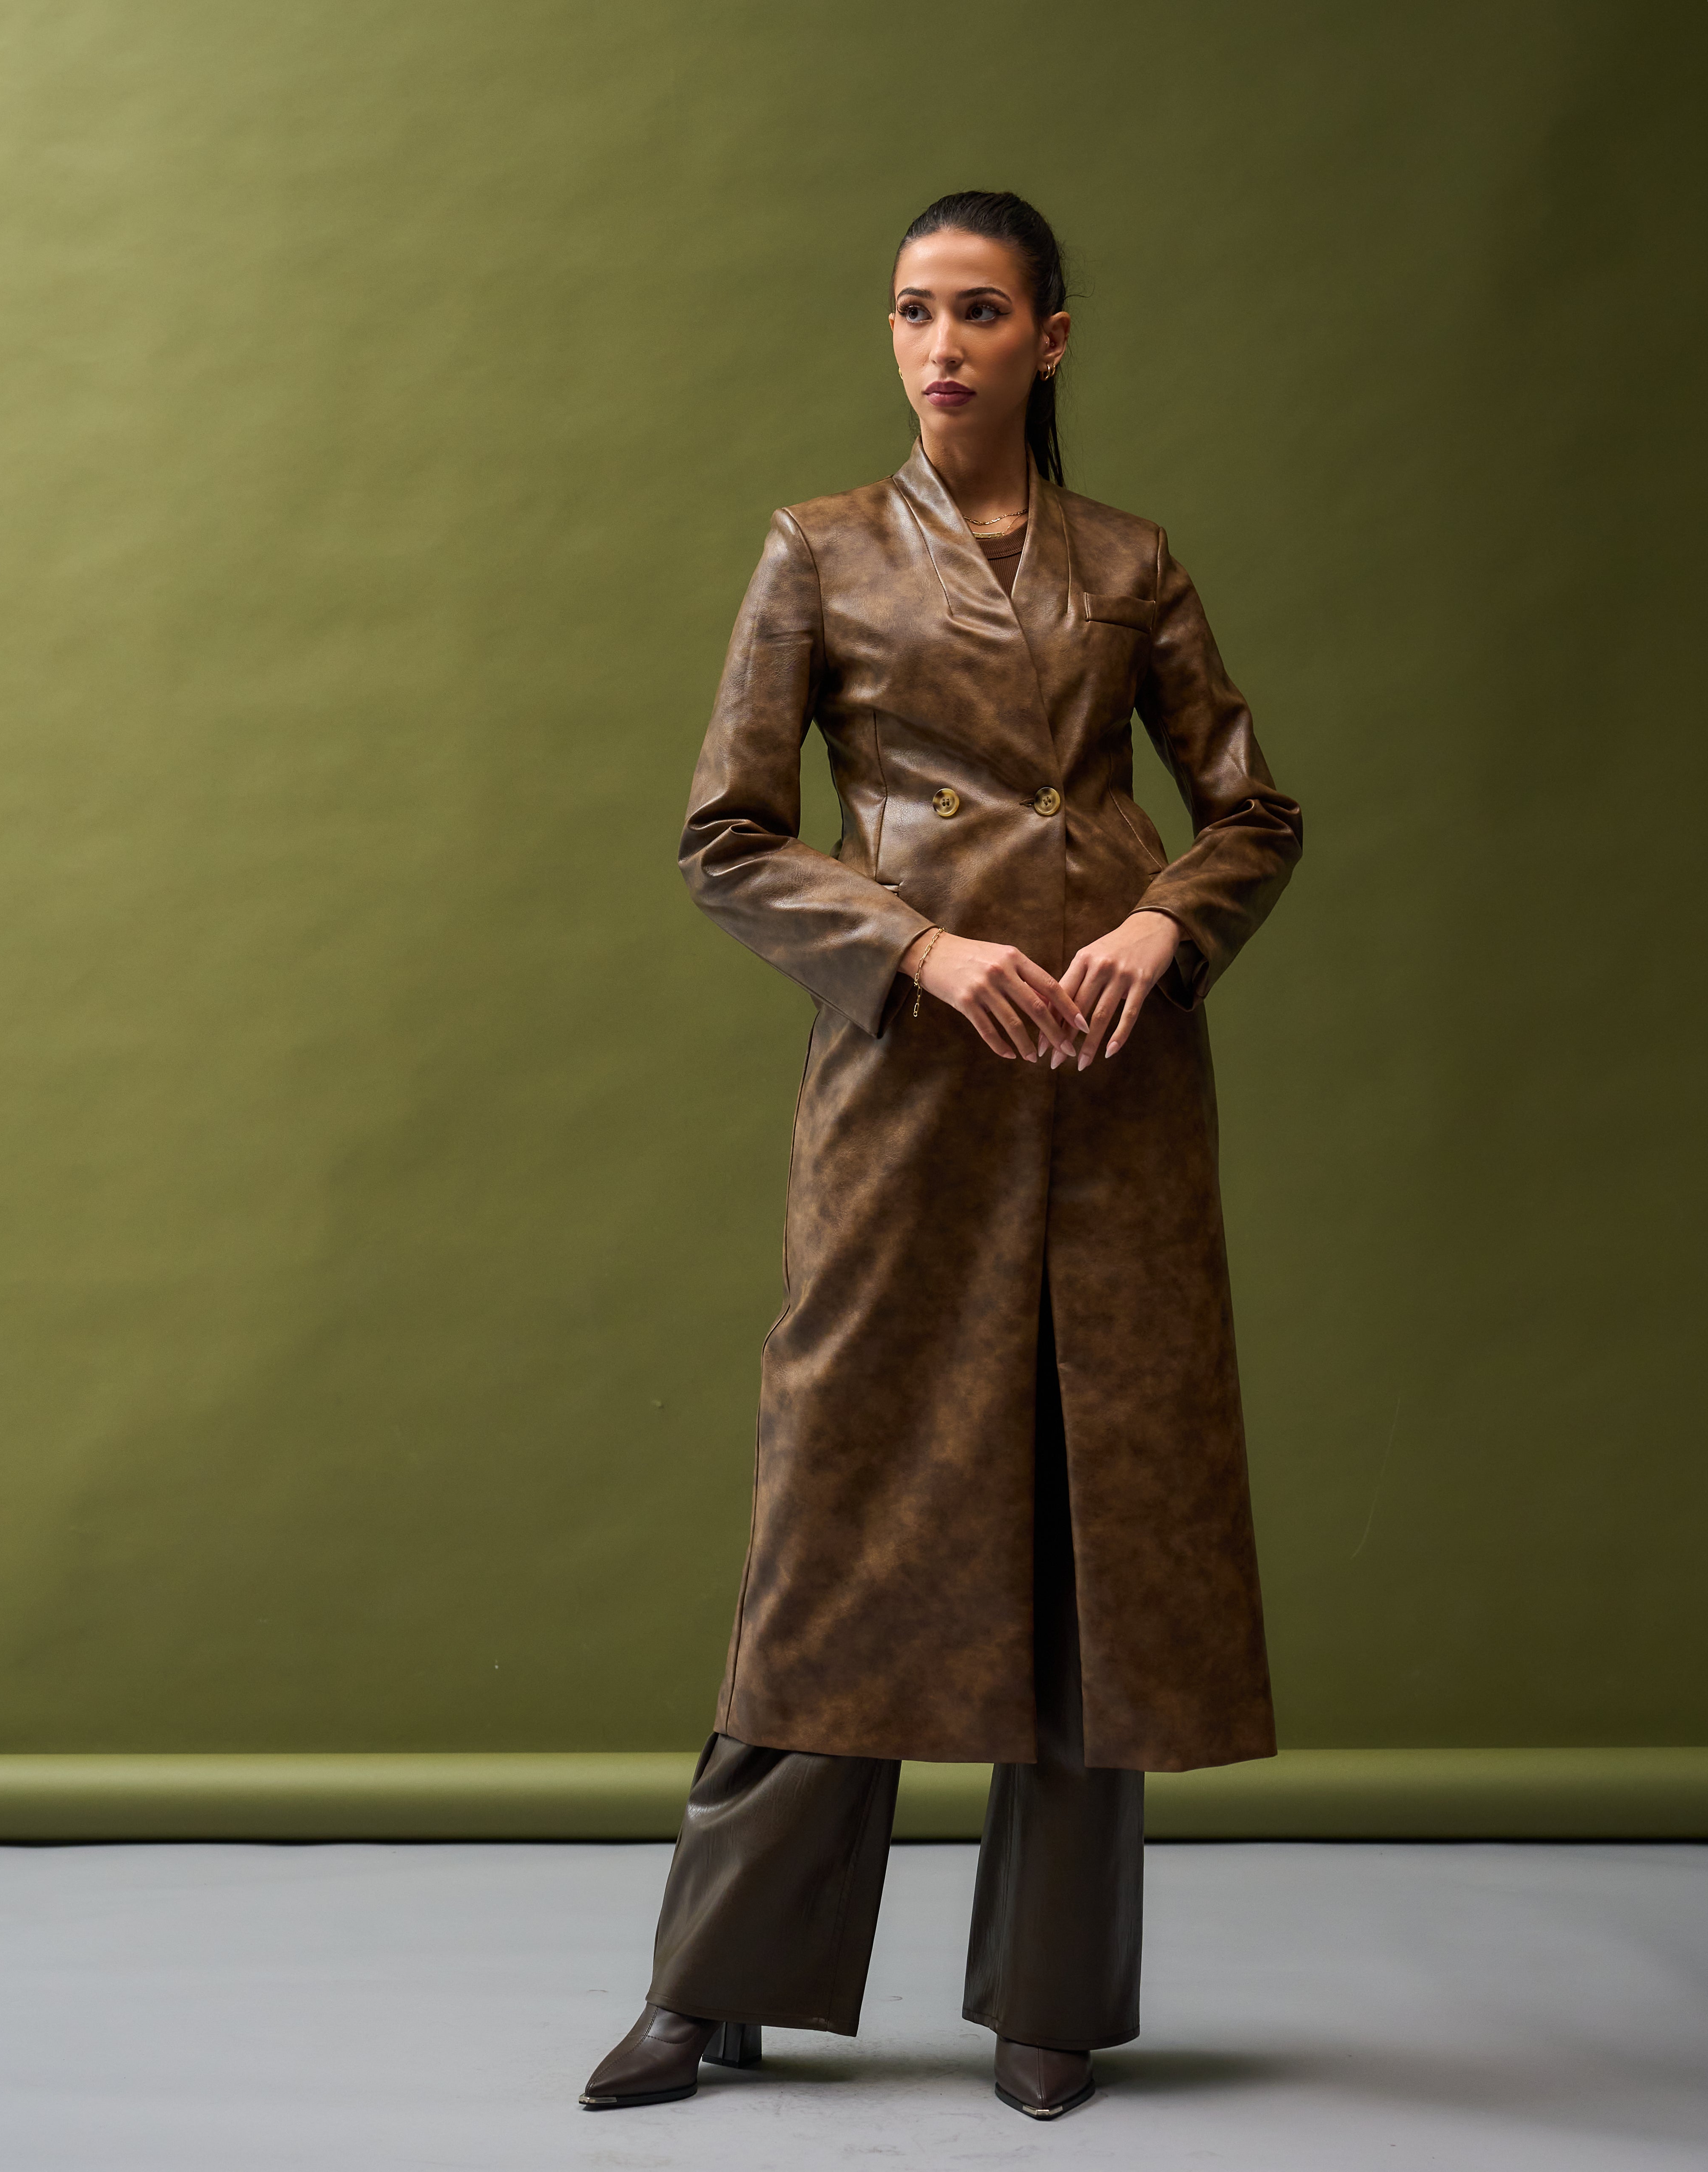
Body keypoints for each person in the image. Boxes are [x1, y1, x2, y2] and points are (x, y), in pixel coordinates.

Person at [581, 188, 1302, 2121]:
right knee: (844, 1519)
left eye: (980, 311)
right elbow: (728, 836)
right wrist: (918, 946)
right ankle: (718, 1981)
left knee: (1085, 1518)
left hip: (1113, 1090)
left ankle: (1050, 1999)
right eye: (913, 310)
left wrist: (1163, 927)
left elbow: (1253, 809)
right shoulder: (818, 551)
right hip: (907, 1086)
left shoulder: (1132, 563)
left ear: (1049, 339)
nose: (941, 346)